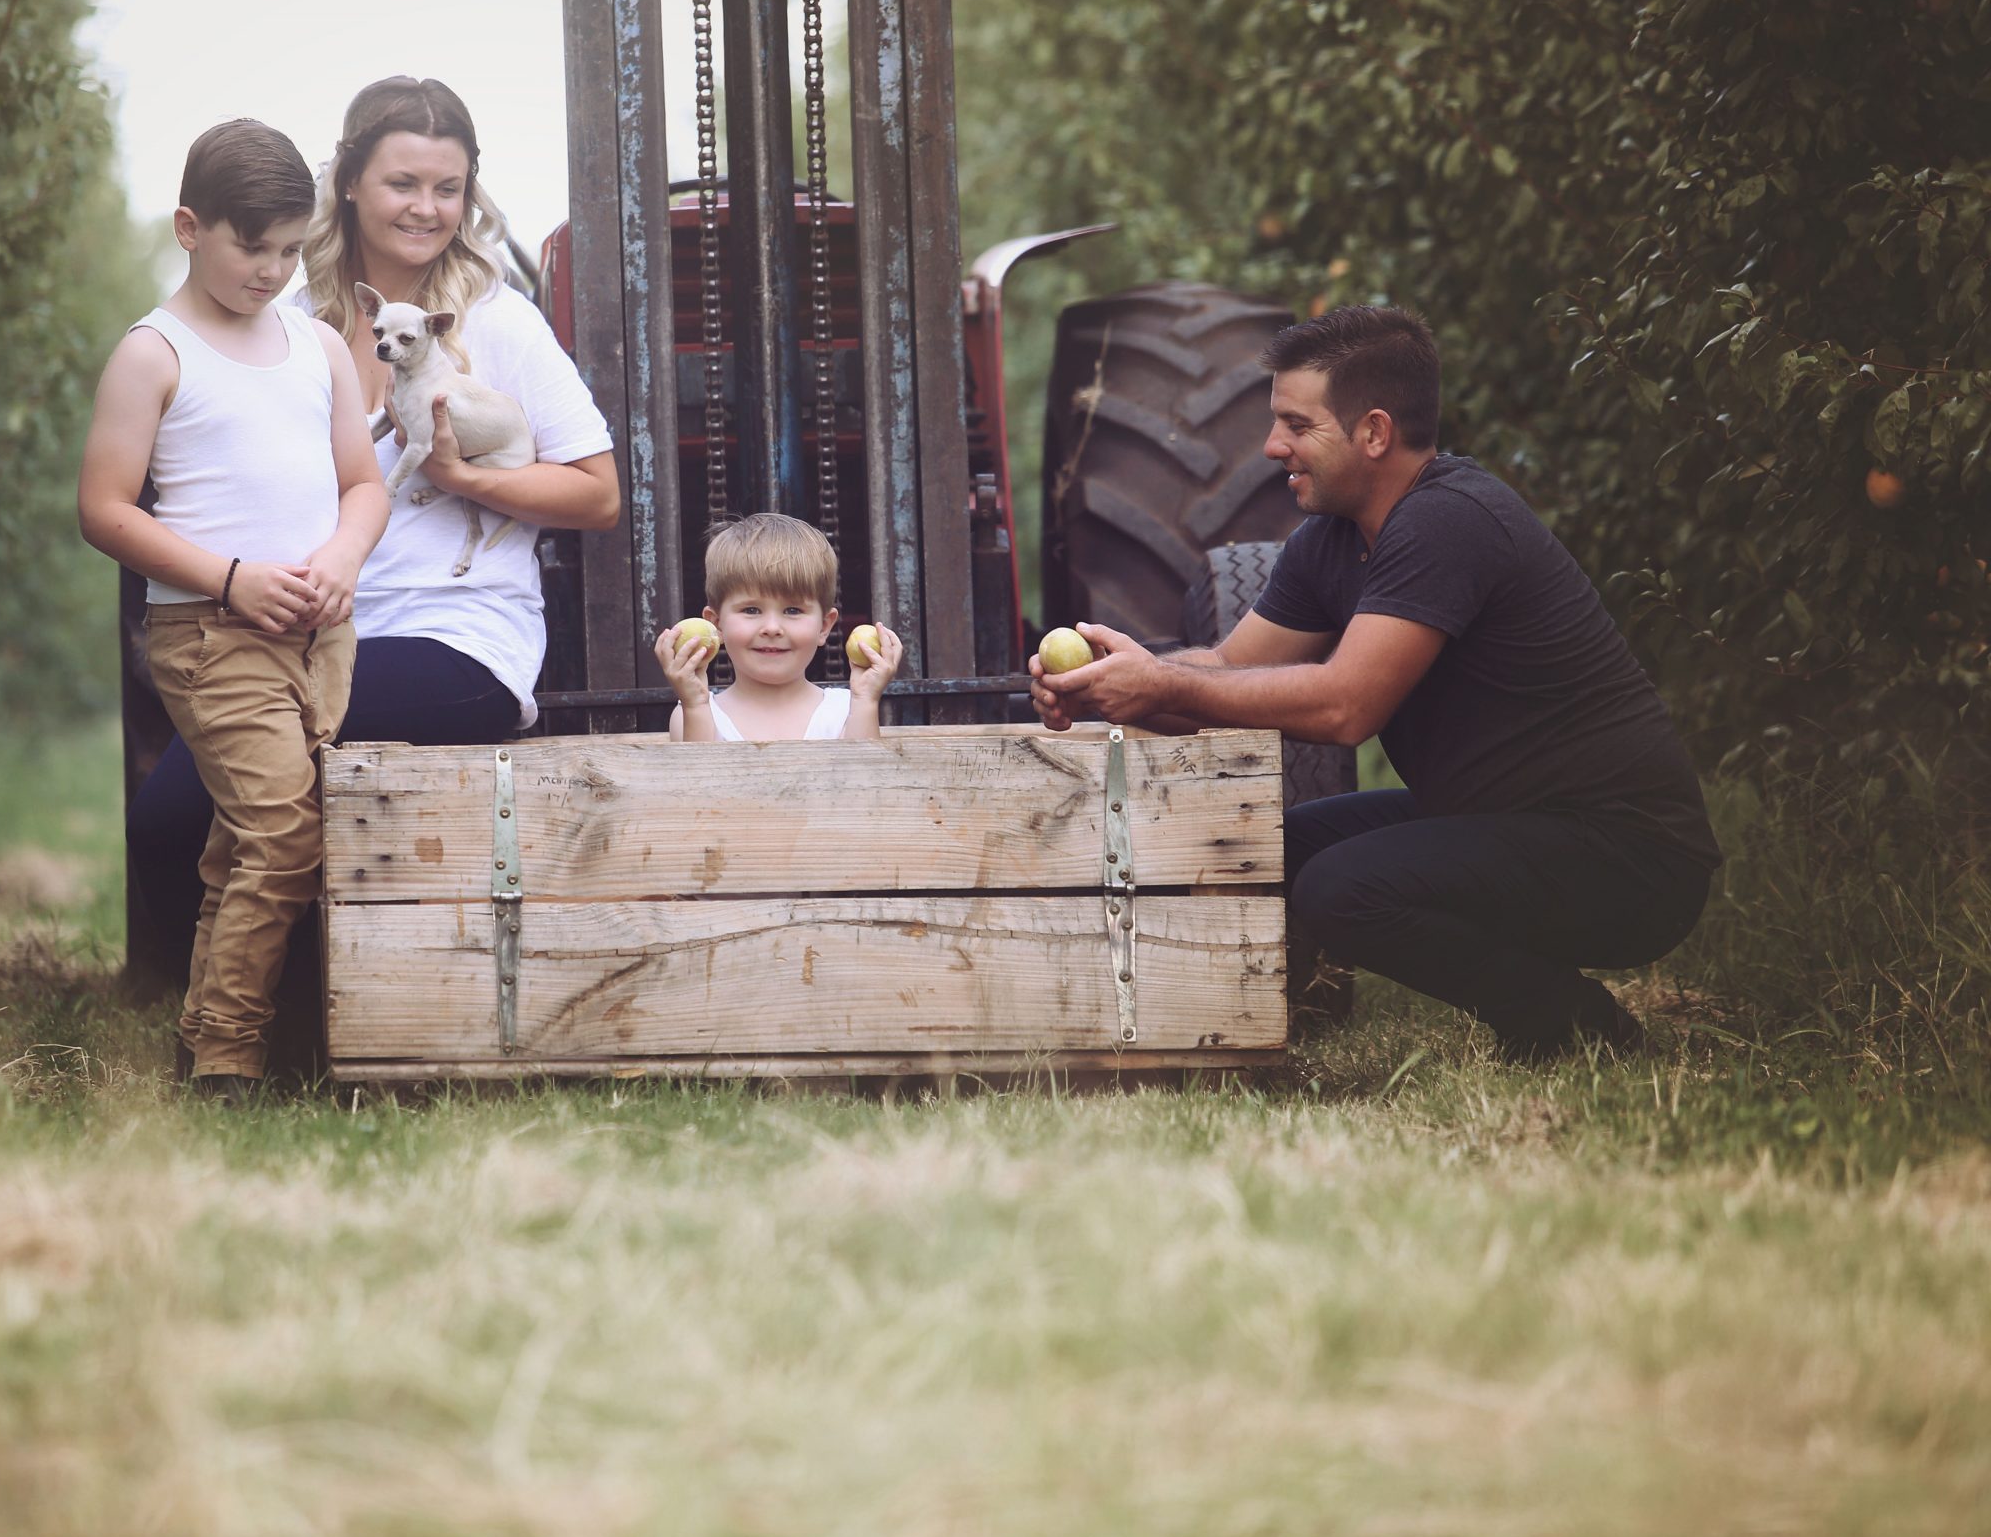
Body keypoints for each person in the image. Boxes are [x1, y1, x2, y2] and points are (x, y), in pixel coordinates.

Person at [1027, 305, 1722, 1062]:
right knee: (1266, 849)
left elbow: (1345, 706)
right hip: (1499, 817)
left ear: (1375, 433)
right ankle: (1247, 1021)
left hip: (1629, 856)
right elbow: (1228, 672)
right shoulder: (1328, 542)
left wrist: (1160, 684)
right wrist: (1112, 682)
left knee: (1342, 889)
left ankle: (1578, 1028)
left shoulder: (1448, 520)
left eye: (1297, 425)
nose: (1272, 446)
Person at [125, 78, 621, 1015]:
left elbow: (597, 492)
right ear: (348, 181)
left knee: (222, 800)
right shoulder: (283, 319)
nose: (428, 209)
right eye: (403, 183)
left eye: (449, 189)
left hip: (452, 636)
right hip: (291, 631)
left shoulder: (495, 322)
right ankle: (270, 1023)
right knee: (162, 822)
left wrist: (467, 478)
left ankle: (285, 1032)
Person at [78, 119, 388, 1103]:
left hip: (319, 632)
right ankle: (229, 1064)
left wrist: (341, 557)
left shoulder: (317, 346)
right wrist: (231, 578)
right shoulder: (153, 354)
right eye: (250, 246)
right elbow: (103, 511)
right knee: (284, 831)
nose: (271, 270)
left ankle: (206, 1034)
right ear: (188, 227)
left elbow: (364, 486)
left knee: (253, 838)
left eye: (290, 249)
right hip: (211, 633)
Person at [654, 512, 903, 740]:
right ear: (716, 625)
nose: (772, 628)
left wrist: (866, 701)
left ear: (824, 627)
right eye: (751, 610)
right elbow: (698, 786)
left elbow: (864, 783)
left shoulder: (847, 709)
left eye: (792, 610)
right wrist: (695, 704)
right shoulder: (695, 712)